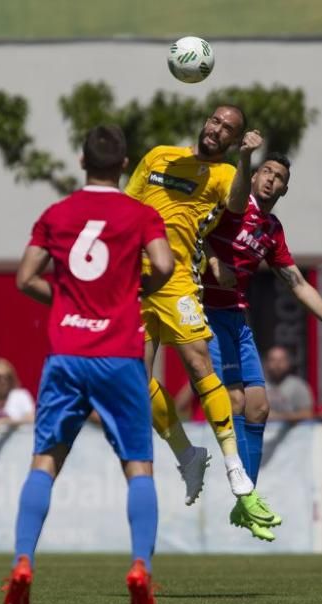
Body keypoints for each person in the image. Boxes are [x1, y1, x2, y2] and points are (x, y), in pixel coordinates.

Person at [2, 125, 173, 604]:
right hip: (119, 353)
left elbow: (24, 277)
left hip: (66, 354)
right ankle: (141, 566)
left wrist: (67, 304)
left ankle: (22, 560)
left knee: (45, 461)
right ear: (124, 165)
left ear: (82, 162)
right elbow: (163, 264)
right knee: (138, 467)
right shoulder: (142, 214)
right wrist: (132, 291)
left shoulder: (56, 215)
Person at [201, 149, 322, 541]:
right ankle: (244, 493)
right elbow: (193, 235)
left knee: (260, 406)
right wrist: (212, 262)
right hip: (206, 312)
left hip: (237, 319)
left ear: (285, 189)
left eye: (279, 177)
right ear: (255, 174)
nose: (270, 180)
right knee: (237, 402)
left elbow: (299, 285)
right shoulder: (232, 204)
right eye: (266, 172)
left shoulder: (271, 231)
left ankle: (247, 499)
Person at [125, 105, 252, 508]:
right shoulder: (159, 156)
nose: (217, 129)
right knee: (135, 379)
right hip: (135, 279)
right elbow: (126, 210)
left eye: (227, 129)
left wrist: (247, 158)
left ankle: (233, 465)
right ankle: (186, 454)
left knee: (199, 365)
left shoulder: (225, 174)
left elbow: (235, 204)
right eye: (215, 121)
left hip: (177, 278)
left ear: (233, 141)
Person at [264, 346, 314, 422]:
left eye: (281, 360)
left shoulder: (298, 386)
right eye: (273, 360)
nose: (277, 364)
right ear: (266, 363)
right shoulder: (259, 386)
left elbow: (307, 414)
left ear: (288, 363)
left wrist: (278, 417)